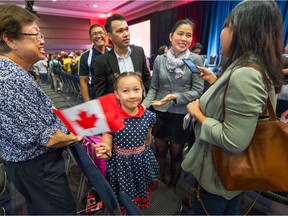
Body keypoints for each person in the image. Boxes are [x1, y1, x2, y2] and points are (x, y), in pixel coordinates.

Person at [181, 1, 284, 214]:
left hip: (219, 175)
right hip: (229, 177)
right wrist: (215, 81)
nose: (221, 33)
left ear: (243, 31)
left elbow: (233, 140)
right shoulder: (247, 65)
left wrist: (198, 114)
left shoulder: (245, 73)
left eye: (227, 26)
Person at [0, 4, 83, 215]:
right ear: (10, 40)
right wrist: (78, 133)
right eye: (35, 35)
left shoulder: (13, 72)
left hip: (28, 165)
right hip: (38, 166)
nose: (43, 40)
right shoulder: (8, 79)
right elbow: (47, 138)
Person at [142, 19, 204, 189]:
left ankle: (174, 183)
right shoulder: (160, 60)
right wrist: (144, 106)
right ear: (171, 36)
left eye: (188, 35)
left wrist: (174, 96)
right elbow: (154, 88)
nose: (184, 38)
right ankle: (160, 180)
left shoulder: (195, 60)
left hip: (180, 114)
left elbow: (198, 90)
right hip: (160, 112)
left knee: (176, 154)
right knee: (160, 150)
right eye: (180, 33)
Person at [95, 72, 159, 210]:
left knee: (141, 187)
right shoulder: (111, 118)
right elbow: (107, 150)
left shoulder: (149, 116)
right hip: (121, 166)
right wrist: (104, 153)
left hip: (142, 161)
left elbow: (147, 140)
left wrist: (142, 152)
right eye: (125, 91)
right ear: (117, 94)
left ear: (142, 90)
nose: (132, 95)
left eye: (136, 90)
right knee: (125, 193)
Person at [94, 14, 151, 98]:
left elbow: (146, 79)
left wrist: (147, 103)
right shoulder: (102, 61)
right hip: (116, 108)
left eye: (127, 29)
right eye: (120, 31)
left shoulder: (139, 51)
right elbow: (101, 94)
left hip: (140, 106)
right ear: (110, 36)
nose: (126, 34)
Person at [79, 24, 109, 101]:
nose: (98, 36)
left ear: (105, 35)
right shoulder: (85, 56)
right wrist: (88, 103)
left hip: (115, 97)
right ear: (90, 38)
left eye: (100, 33)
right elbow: (83, 81)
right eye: (94, 34)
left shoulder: (113, 52)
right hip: (96, 98)